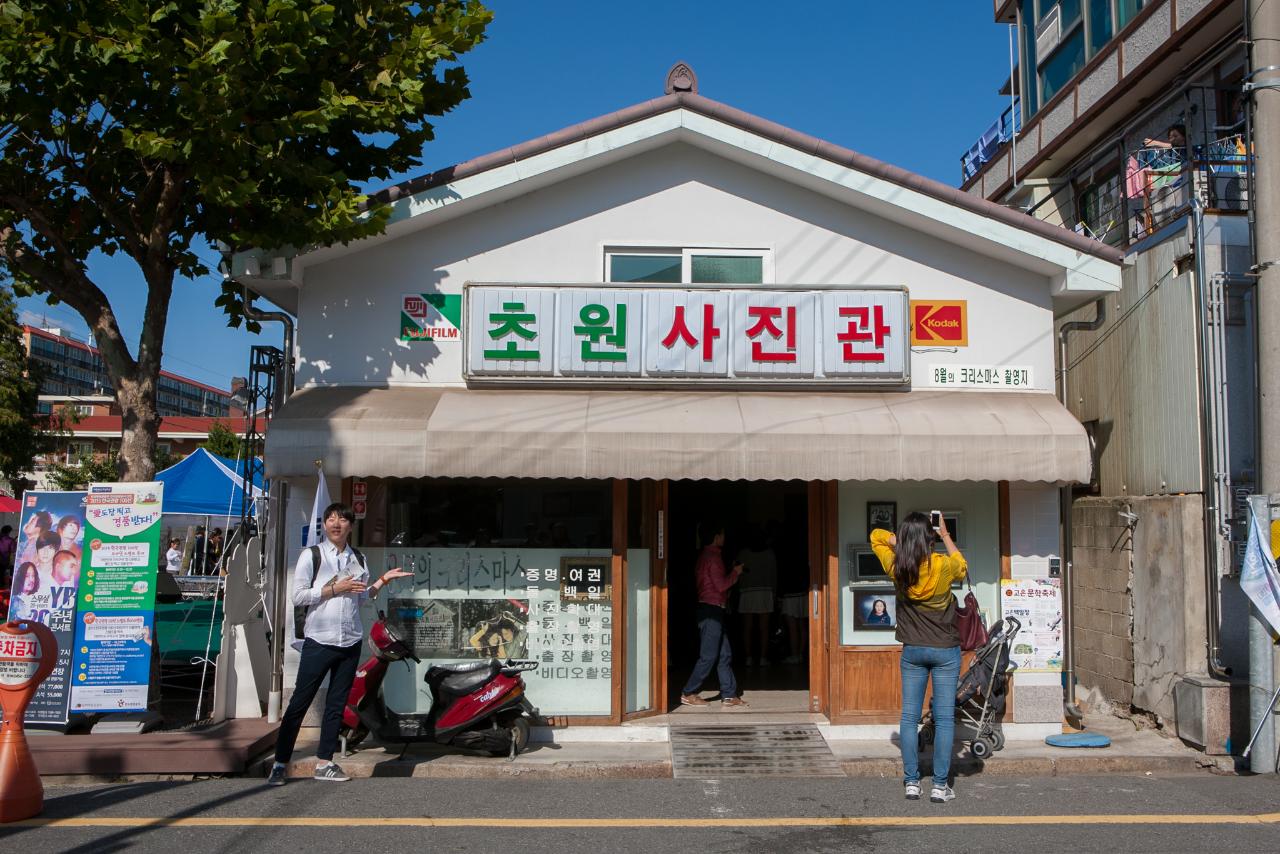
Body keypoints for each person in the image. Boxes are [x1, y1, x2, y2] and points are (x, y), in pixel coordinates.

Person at [267, 502, 413, 786]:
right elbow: (297, 596)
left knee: (336, 705)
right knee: (299, 703)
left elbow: (361, 597)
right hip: (319, 641)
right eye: (331, 519)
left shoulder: (357, 557)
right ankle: (280, 763)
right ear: (324, 524)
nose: (336, 524)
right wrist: (334, 589)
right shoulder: (312, 555)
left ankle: (325, 762)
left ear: (350, 525)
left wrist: (383, 580)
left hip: (349, 641)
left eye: (342, 519)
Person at [871, 512, 967, 804]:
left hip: (913, 650)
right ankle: (940, 786)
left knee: (909, 717)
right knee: (945, 719)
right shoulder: (942, 566)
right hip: (945, 651)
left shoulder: (897, 567)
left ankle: (912, 782)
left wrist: (899, 541)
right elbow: (962, 567)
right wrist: (946, 535)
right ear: (930, 538)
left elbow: (875, 536)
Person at [680, 521, 747, 708]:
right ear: (716, 537)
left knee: (724, 653)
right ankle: (688, 692)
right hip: (711, 610)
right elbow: (721, 585)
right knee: (709, 656)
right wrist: (735, 572)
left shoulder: (705, 556)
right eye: (722, 534)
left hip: (712, 609)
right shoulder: (713, 557)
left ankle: (729, 694)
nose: (724, 538)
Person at [736, 526, 777, 667]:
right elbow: (773, 575)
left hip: (747, 592)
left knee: (747, 627)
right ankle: (763, 658)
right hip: (765, 591)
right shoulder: (769, 554)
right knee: (764, 628)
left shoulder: (743, 553)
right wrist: (775, 593)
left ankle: (748, 657)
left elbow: (738, 573)